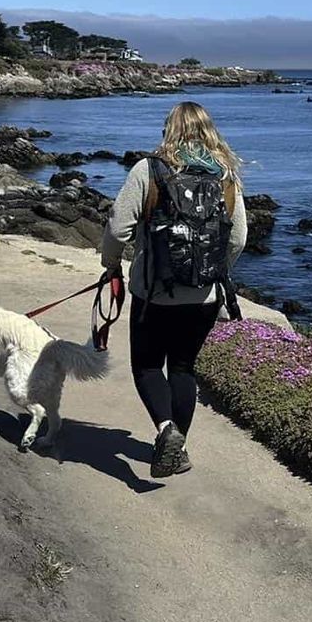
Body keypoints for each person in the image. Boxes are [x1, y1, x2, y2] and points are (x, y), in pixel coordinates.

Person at [101, 101, 247, 479]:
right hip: (204, 297)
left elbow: (118, 229)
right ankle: (176, 443)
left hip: (154, 293)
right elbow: (239, 238)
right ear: (209, 131)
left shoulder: (148, 170)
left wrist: (112, 264)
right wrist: (214, 269)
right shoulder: (225, 176)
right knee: (183, 367)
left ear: (169, 130)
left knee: (148, 366)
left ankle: (166, 431)